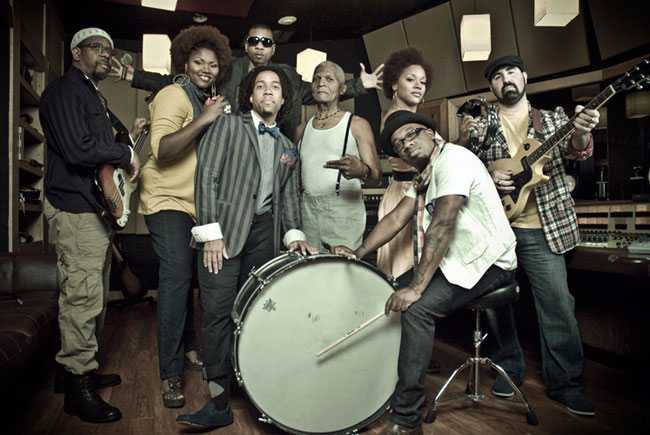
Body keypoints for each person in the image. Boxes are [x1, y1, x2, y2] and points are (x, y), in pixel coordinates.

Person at [333, 110, 517, 434]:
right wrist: (359, 253)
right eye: (398, 144)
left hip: (491, 263)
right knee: (386, 288)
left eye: (412, 134)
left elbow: (443, 223)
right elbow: (395, 219)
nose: (406, 144)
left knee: (417, 310)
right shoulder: (425, 174)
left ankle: (406, 419)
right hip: (456, 260)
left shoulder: (453, 159)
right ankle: (374, 387)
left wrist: (417, 288)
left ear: (431, 133)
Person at [177, 66, 318, 429]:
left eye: (276, 87)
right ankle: (218, 401)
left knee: (255, 313)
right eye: (261, 86)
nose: (268, 91)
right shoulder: (227, 125)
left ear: (283, 100)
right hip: (222, 234)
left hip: (264, 237)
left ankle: (250, 385)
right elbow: (206, 177)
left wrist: (294, 234)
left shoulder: (288, 147)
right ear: (251, 96)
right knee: (217, 312)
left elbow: (289, 197)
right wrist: (210, 234)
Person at [458, 55, 598, 416]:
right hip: (496, 228)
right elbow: (464, 169)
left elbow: (578, 150)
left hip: (542, 228)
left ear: (524, 76)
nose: (505, 79)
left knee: (557, 306)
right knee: (496, 305)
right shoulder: (481, 125)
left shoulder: (551, 120)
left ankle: (566, 384)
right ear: (491, 86)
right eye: (497, 76)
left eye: (511, 72)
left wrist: (582, 131)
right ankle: (508, 368)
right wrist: (488, 173)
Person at [39, 27, 144, 423]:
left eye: (109, 50)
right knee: (82, 298)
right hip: (75, 207)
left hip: (91, 209)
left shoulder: (91, 94)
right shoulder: (66, 90)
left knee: (93, 295)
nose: (105, 54)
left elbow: (98, 150)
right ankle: (77, 388)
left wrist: (128, 140)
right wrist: (124, 154)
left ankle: (73, 374)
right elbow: (77, 150)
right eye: (97, 48)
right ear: (76, 52)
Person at [136, 25, 232, 409]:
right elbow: (162, 149)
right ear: (184, 63)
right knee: (176, 276)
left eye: (212, 64)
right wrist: (205, 119)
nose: (206, 69)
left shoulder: (206, 99)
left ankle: (190, 346)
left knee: (190, 277)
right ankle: (170, 371)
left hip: (194, 205)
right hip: (166, 198)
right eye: (198, 62)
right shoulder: (173, 95)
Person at [110, 23, 384, 140]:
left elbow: (316, 92)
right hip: (228, 145)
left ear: (273, 49)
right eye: (254, 41)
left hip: (271, 149)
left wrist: (360, 85)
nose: (260, 46)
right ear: (246, 45)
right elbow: (181, 83)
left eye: (266, 42)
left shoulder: (286, 75)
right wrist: (132, 75)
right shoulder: (226, 69)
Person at [294, 61, 381, 251]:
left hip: (343, 210)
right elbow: (297, 179)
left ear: (342, 89)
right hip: (307, 211)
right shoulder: (302, 129)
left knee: (341, 266)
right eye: (316, 79)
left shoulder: (357, 124)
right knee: (310, 267)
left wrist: (362, 170)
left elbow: (376, 177)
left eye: (329, 79)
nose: (321, 83)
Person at [376, 47, 432, 283]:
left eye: (423, 82)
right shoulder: (397, 119)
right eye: (410, 79)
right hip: (405, 195)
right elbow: (433, 158)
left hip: (413, 192)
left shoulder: (410, 117)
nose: (418, 86)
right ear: (394, 84)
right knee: (404, 270)